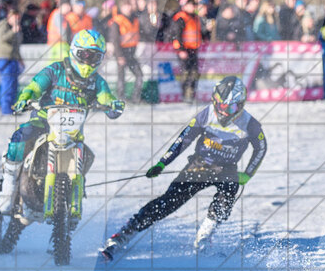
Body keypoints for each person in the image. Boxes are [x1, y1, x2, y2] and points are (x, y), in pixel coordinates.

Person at [100, 76, 267, 259]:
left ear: (241, 105)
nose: (225, 112)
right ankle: (125, 234)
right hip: (200, 165)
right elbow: (183, 140)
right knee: (168, 202)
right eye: (220, 105)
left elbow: (261, 147)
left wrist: (248, 174)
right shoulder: (206, 114)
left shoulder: (250, 123)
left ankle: (203, 238)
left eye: (231, 107)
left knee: (226, 198)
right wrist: (163, 163)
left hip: (227, 169)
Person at [0, 30, 124, 213]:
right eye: (84, 54)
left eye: (94, 56)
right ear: (74, 51)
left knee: (88, 155)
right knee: (22, 135)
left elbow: (106, 97)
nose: (88, 61)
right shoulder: (55, 70)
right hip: (43, 123)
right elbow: (34, 86)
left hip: (72, 132)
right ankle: (9, 184)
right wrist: (26, 98)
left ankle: (74, 192)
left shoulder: (97, 82)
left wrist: (113, 105)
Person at [106, 0, 144, 102]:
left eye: (129, 6)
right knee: (121, 77)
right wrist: (119, 56)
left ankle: (136, 97)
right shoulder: (117, 21)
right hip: (122, 52)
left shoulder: (135, 19)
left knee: (139, 75)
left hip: (131, 53)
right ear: (121, 8)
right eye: (125, 6)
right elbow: (115, 39)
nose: (128, 8)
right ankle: (121, 97)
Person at [171, 0, 203, 101]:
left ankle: (191, 94)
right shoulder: (180, 17)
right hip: (185, 49)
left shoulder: (195, 17)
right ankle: (185, 94)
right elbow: (176, 35)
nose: (193, 7)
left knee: (194, 72)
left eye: (193, 4)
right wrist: (180, 50)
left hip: (193, 49)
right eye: (190, 4)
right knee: (186, 72)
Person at [0, 8, 24, 115]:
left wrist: (20, 59)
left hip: (13, 59)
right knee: (7, 84)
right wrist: (13, 31)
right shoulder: (3, 25)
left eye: (18, 18)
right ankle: (6, 109)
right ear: (9, 17)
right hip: (5, 58)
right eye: (15, 18)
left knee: (14, 85)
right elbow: (2, 38)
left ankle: (12, 107)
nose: (17, 20)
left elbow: (17, 45)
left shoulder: (15, 28)